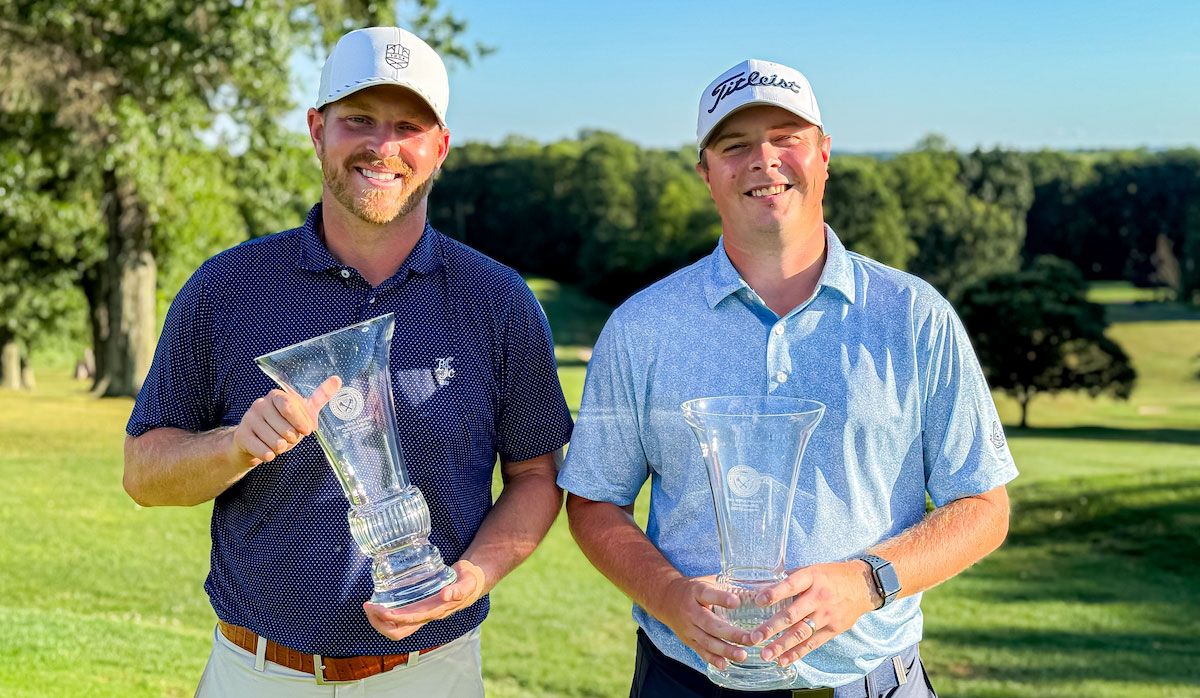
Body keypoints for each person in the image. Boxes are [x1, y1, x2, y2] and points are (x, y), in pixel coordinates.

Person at [123, 26, 572, 697]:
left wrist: (472, 577)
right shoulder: (227, 288)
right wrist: (236, 445)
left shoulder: (497, 301)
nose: (383, 147)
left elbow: (535, 476)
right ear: (317, 131)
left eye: (408, 127)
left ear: (440, 147)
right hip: (257, 673)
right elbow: (143, 474)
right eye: (358, 119)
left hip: (432, 673)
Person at [559, 59, 1017, 697]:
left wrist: (867, 582)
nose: (763, 160)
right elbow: (594, 501)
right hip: (690, 680)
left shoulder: (914, 316)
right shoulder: (643, 326)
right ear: (706, 172)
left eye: (786, 138)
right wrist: (667, 594)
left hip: (873, 681)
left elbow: (984, 507)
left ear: (823, 155)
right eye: (735, 145)